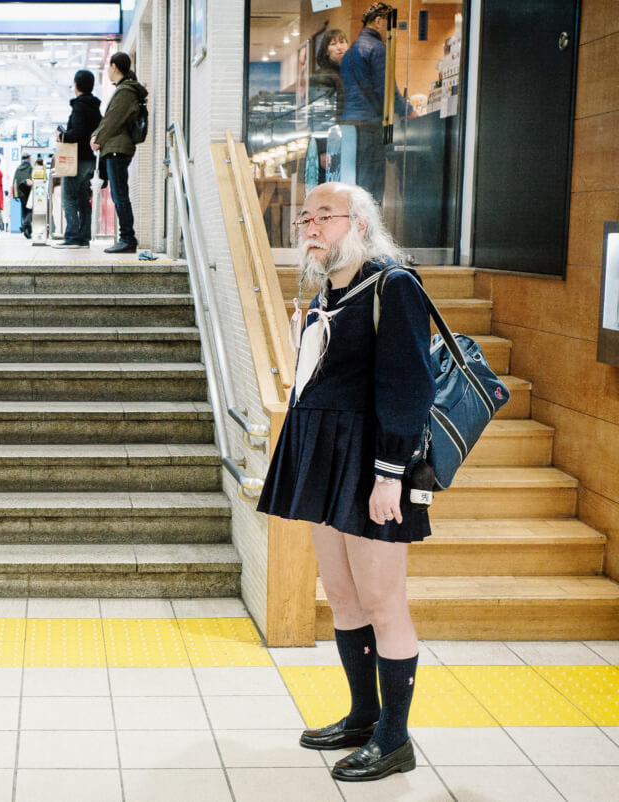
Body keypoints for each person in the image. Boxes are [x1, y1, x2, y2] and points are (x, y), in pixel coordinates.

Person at [257, 182, 433, 783]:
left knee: (384, 601)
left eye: (323, 217)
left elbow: (408, 388)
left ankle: (394, 737)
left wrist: (390, 474)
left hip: (373, 464)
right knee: (342, 594)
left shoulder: (393, 285)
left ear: (358, 223)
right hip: (327, 460)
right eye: (306, 218)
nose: (310, 226)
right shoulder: (326, 292)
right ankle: (362, 715)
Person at [341, 3, 412, 204]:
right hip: (369, 127)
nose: (391, 30)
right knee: (370, 189)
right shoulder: (378, 48)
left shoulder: (350, 52)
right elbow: (386, 89)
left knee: (351, 185)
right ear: (379, 21)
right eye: (390, 23)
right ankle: (368, 232)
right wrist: (408, 110)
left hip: (349, 125)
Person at [91, 52, 148, 254]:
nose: (107, 70)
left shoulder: (125, 91)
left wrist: (97, 139)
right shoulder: (126, 89)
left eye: (108, 66)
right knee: (119, 194)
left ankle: (127, 238)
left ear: (114, 66)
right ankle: (126, 237)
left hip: (117, 148)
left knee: (120, 195)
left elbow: (112, 119)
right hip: (117, 147)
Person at [53, 69, 102, 250]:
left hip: (77, 161)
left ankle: (73, 236)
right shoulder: (96, 107)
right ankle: (84, 237)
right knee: (83, 199)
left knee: (69, 198)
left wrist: (62, 136)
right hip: (90, 160)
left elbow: (78, 134)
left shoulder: (80, 106)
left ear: (76, 85)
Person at [311, 28, 349, 123]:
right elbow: (320, 113)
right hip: (336, 131)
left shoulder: (351, 72)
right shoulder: (322, 76)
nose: (339, 47)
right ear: (326, 51)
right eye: (333, 44)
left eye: (342, 42)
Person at [12, 153, 33, 238]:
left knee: (24, 211)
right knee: (30, 210)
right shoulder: (31, 168)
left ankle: (27, 229)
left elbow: (15, 182)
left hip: (21, 193)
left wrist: (15, 194)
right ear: (28, 158)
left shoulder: (18, 169)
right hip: (29, 192)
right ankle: (26, 225)